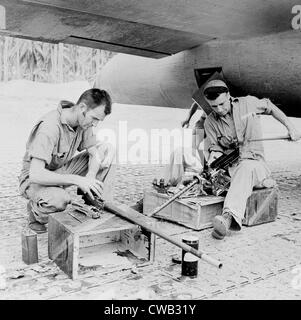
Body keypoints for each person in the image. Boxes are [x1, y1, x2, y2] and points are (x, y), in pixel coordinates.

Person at [203, 80, 301, 239]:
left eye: (222, 104)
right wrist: (214, 157)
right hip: (231, 169)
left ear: (229, 95)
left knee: (246, 168)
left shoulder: (249, 103)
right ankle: (263, 183)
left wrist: (291, 127)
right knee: (208, 177)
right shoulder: (210, 122)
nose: (219, 109)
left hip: (255, 165)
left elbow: (270, 106)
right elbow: (215, 148)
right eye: (214, 106)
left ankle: (228, 218)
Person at [18, 88, 116, 233]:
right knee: (60, 199)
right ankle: (36, 211)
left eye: (98, 121)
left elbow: (94, 153)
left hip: (60, 172)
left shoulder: (83, 121)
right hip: (34, 180)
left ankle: (93, 203)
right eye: (94, 119)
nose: (95, 124)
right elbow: (36, 174)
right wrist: (77, 180)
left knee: (105, 150)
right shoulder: (50, 127)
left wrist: (90, 176)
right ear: (82, 107)